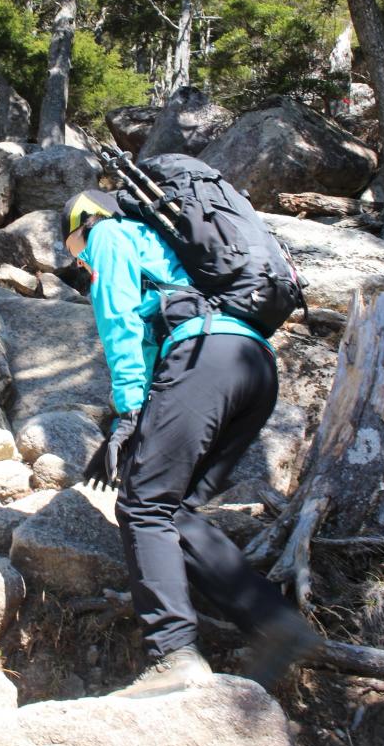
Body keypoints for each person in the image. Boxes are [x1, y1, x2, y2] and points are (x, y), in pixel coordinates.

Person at [62, 188, 316, 697]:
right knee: (170, 507)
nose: (81, 264)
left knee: (143, 505)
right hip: (254, 367)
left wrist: (128, 409)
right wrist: (135, 427)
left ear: (87, 223)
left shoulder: (109, 234)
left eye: (76, 252)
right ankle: (275, 623)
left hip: (204, 356)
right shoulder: (177, 250)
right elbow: (157, 346)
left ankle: (173, 654)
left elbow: (119, 320)